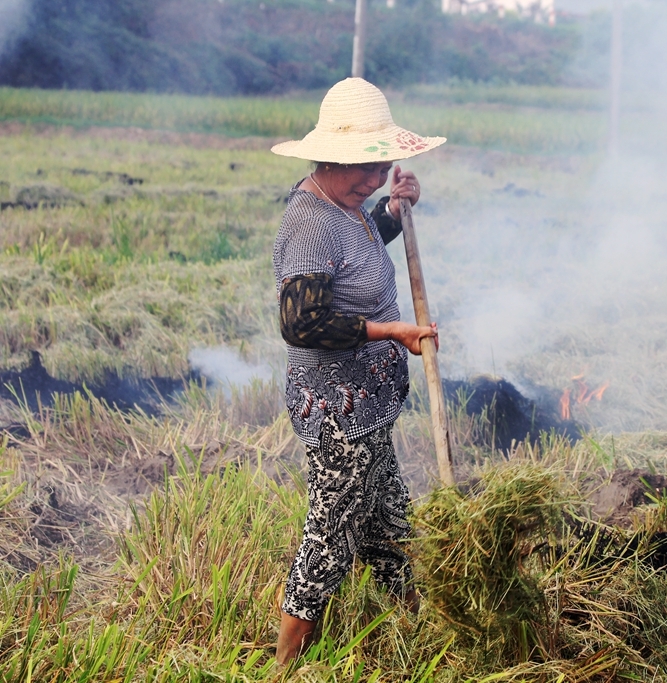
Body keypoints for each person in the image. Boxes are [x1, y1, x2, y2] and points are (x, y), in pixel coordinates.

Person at [269, 78, 446, 665]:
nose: (374, 180)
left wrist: (391, 211)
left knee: (387, 517)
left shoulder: (349, 209)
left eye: (383, 168)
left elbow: (361, 256)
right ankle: (286, 660)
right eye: (366, 172)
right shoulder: (309, 221)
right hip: (336, 407)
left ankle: (419, 623)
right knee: (332, 530)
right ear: (330, 159)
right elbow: (302, 323)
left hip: (368, 401)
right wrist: (389, 332)